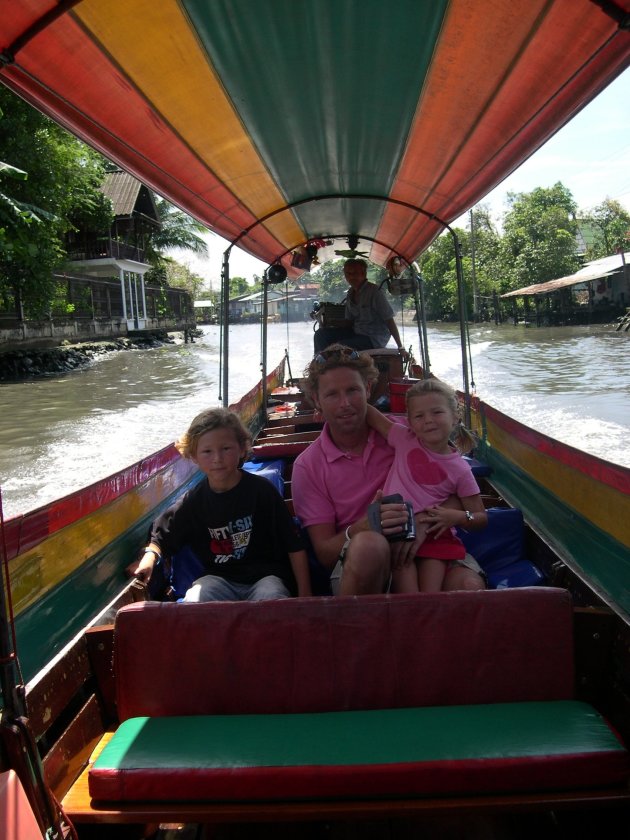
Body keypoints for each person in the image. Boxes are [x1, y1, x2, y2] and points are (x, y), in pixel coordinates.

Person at [291, 345, 485, 595]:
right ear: (316, 400)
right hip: (364, 562)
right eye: (332, 395)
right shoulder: (308, 467)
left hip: (432, 544)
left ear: (368, 390)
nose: (345, 404)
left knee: (468, 588)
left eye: (353, 391)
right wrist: (366, 526)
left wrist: (422, 523)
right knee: (369, 547)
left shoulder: (410, 432)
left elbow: (458, 485)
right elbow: (326, 554)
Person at [132, 408, 311, 600]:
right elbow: (162, 536)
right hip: (219, 579)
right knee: (196, 599)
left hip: (266, 577)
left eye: (226, 449)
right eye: (207, 451)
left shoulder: (262, 491)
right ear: (194, 456)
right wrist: (150, 557)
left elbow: (294, 545)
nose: (217, 458)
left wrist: (305, 593)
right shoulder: (194, 501)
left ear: (242, 448)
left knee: (272, 595)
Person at [366, 380, 488, 592]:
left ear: (455, 416)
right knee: (410, 595)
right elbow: (370, 415)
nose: (428, 421)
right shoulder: (404, 438)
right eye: (419, 416)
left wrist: (456, 517)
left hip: (435, 537)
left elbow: (480, 517)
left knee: (431, 595)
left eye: (437, 412)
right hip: (398, 531)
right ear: (410, 423)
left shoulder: (461, 469)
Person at [313, 258, 408, 357]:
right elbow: (349, 322)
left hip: (373, 338)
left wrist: (400, 347)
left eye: (354, 273)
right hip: (356, 333)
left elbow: (389, 320)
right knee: (320, 335)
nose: (351, 277)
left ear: (363, 273)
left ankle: (328, 364)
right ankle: (319, 365)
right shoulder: (350, 293)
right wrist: (330, 322)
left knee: (338, 347)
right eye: (347, 274)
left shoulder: (374, 292)